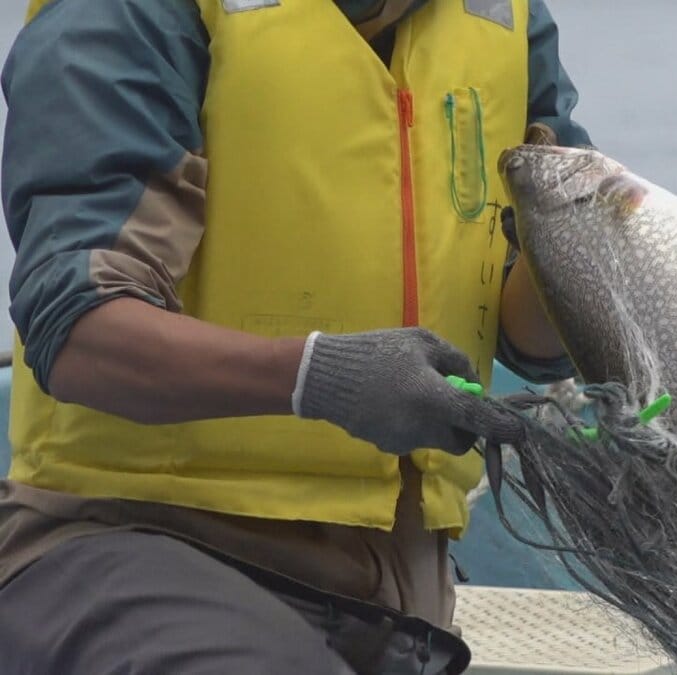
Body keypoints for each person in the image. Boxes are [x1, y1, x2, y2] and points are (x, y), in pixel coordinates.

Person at [0, 0, 592, 673]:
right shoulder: (131, 12)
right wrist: (322, 376)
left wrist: (583, 275)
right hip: (131, 546)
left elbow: (530, 334)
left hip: (397, 605)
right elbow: (80, 330)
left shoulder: (505, 19)